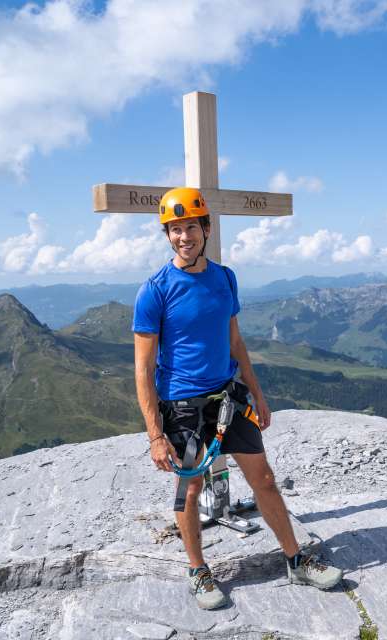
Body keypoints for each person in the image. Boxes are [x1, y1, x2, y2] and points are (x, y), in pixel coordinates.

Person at [132, 187, 342, 610]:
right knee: (188, 491)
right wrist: (156, 434)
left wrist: (258, 395)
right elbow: (142, 368)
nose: (183, 237)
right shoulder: (154, 290)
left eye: (190, 226)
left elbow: (235, 341)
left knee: (263, 479)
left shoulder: (225, 278)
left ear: (206, 228)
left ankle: (295, 559)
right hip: (183, 406)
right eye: (174, 230)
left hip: (229, 397)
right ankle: (198, 570)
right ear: (167, 235)